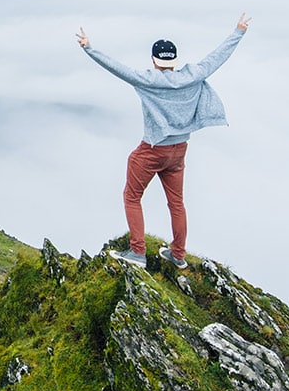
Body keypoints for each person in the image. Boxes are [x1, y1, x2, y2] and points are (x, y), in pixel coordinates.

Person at [75, 14, 250, 270]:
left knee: (132, 197)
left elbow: (117, 68)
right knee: (176, 202)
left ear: (154, 61)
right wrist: (238, 32)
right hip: (179, 151)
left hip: (153, 149)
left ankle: (137, 253)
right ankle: (177, 254)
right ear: (174, 60)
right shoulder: (193, 75)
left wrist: (89, 48)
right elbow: (217, 57)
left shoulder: (149, 80)